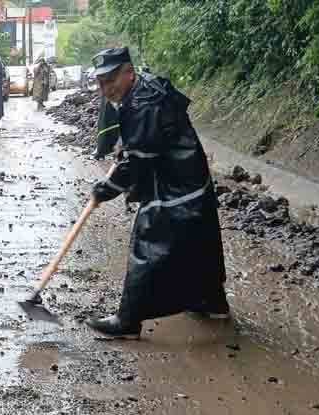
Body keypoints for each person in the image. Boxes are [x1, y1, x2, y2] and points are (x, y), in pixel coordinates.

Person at [86, 47, 228, 339]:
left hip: (175, 186)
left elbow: (138, 162)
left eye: (111, 80)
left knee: (147, 243)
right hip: (192, 179)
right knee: (199, 243)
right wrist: (130, 146)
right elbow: (148, 139)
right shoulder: (146, 88)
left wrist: (105, 190)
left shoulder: (143, 104)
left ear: (128, 72)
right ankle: (211, 302)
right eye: (101, 83)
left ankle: (128, 320)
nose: (106, 89)